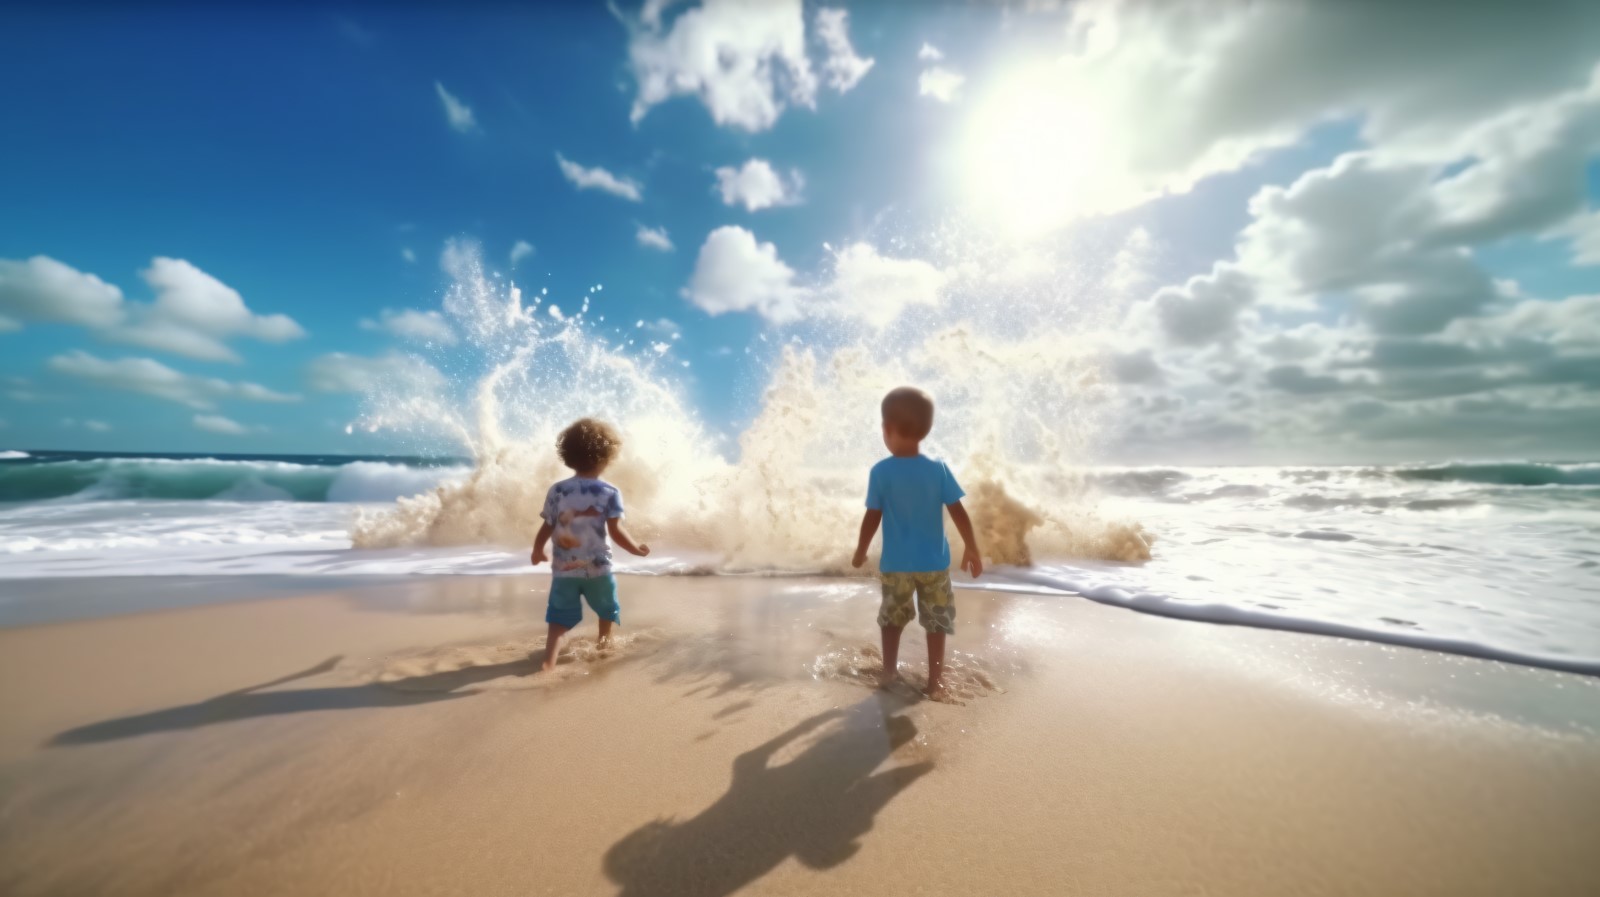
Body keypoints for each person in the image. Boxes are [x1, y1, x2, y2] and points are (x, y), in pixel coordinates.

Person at [851, 386, 983, 699]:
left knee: (892, 619)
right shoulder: (938, 470)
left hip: (896, 565)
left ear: (887, 429)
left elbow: (873, 516)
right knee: (937, 621)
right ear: (925, 429)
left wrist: (860, 550)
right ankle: (935, 681)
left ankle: (888, 672)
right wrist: (972, 546)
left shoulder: (881, 472)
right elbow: (958, 511)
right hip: (934, 564)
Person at [530, 418, 650, 672]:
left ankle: (548, 662)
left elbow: (548, 525)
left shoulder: (558, 491)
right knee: (606, 610)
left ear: (568, 455)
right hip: (598, 569)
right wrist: (635, 549)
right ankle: (604, 645)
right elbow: (616, 531)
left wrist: (537, 548)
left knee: (558, 618)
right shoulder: (609, 492)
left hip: (564, 570)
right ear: (607, 456)